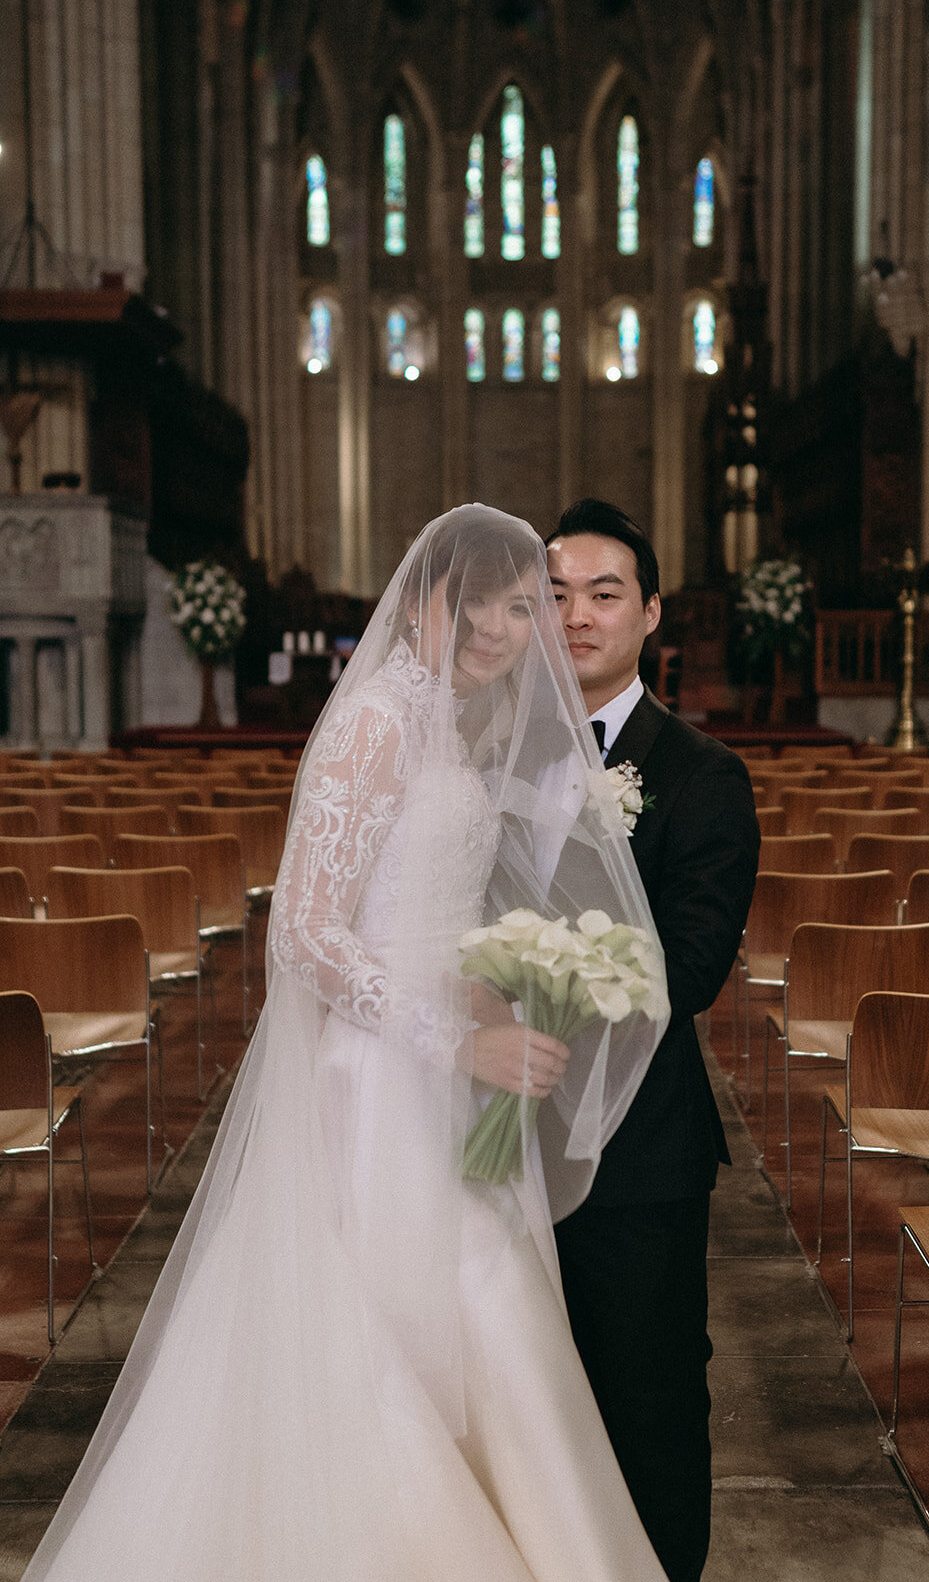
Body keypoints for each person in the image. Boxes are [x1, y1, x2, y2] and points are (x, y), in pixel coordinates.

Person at [22, 505, 673, 1582]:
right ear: (429, 601)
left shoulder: (449, 725)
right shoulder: (376, 721)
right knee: (396, 1338)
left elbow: (414, 915)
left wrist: (488, 996)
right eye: (492, 603)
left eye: (525, 607)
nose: (511, 629)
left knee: (480, 1325)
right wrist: (454, 1041)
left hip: (447, 1070)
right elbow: (308, 934)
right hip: (379, 1084)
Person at [546, 498, 760, 1582]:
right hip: (493, 1142)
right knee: (523, 1413)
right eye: (554, 592)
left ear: (651, 612)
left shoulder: (699, 773)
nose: (575, 615)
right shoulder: (491, 760)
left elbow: (687, 970)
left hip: (637, 1150)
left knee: (648, 1405)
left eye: (603, 592)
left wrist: (521, 990)